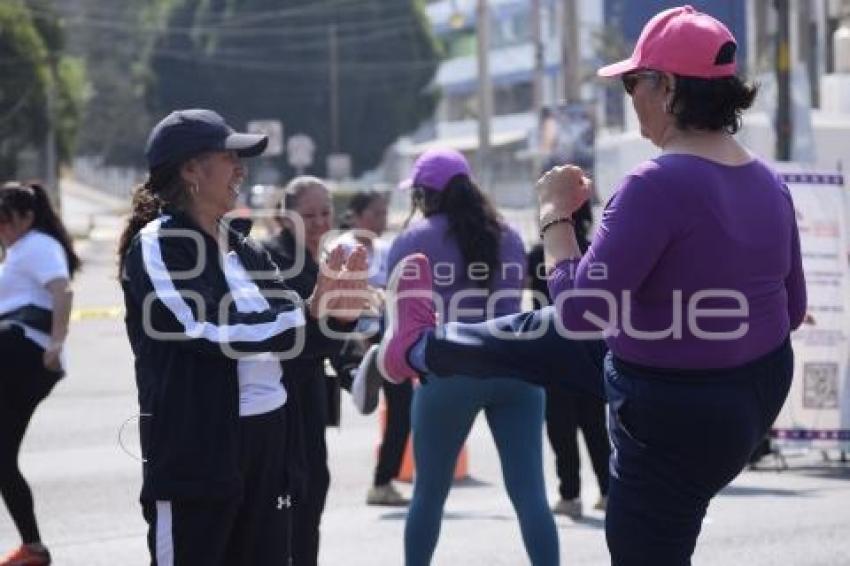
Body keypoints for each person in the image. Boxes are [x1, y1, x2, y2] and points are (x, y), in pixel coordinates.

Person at [378, 6, 805, 566]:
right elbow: (792, 309)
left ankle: (416, 348)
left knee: (554, 331)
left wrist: (556, 217)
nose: (630, 98)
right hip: (748, 400)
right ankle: (420, 346)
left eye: (633, 82)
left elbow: (581, 309)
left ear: (669, 87)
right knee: (534, 334)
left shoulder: (656, 183)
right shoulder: (769, 184)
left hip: (669, 406)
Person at [118, 109, 367, 565]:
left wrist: (337, 317)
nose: (241, 170)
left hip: (269, 452)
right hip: (199, 457)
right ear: (191, 170)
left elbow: (298, 336)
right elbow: (200, 327)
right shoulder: (158, 244)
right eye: (229, 157)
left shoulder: (242, 247)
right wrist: (307, 317)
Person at [386, 148, 560, 566]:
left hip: (448, 367)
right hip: (517, 364)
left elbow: (393, 306)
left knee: (428, 495)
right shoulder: (509, 235)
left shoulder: (414, 239)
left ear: (425, 195)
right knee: (531, 496)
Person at [0, 182, 79, 566]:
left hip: (25, 350)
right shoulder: (19, 250)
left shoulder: (38, 246)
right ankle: (33, 548)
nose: (1, 229)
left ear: (26, 217)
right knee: (1, 460)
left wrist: (56, 344)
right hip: (19, 354)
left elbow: (63, 292)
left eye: (5, 220)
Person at [528, 203, 610, 520]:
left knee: (561, 428)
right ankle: (608, 490)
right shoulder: (594, 250)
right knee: (595, 426)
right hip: (592, 350)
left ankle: (570, 494)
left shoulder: (538, 254)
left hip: (552, 348)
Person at [333, 191, 412, 506]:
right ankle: (356, 377)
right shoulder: (343, 249)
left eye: (385, 212)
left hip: (387, 337)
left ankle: (383, 481)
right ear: (356, 215)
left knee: (403, 408)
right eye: (376, 213)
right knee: (399, 403)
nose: (382, 219)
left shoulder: (386, 248)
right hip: (356, 337)